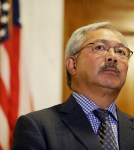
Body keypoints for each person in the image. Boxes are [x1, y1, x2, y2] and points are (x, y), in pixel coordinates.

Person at [12, 22, 134, 150]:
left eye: (120, 52)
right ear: (72, 65)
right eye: (100, 47)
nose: (113, 57)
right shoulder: (38, 127)